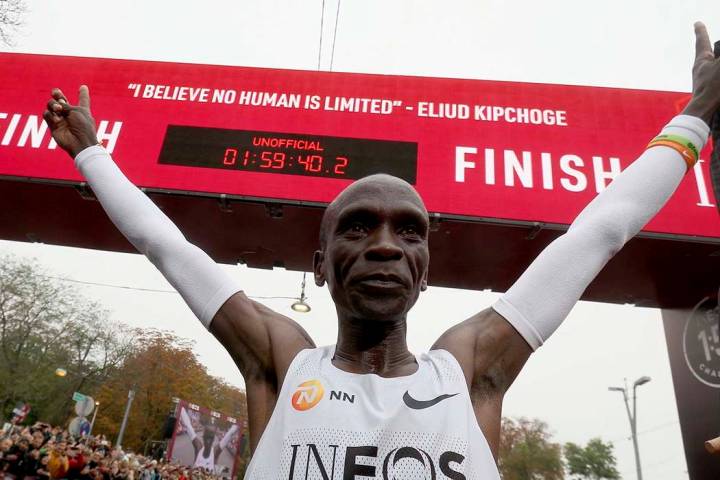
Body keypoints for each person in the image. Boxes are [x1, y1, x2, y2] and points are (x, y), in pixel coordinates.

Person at [44, 22, 720, 478]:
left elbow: (599, 232)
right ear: (319, 264)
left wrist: (697, 117)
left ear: (427, 270)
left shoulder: (471, 369)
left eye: (410, 231)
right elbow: (166, 246)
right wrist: (94, 155)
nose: (386, 246)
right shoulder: (281, 364)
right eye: (358, 226)